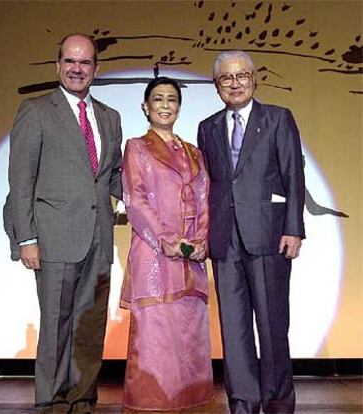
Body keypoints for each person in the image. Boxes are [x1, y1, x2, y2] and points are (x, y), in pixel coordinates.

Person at [5, 33, 122, 414]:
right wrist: (27, 237)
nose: (77, 68)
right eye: (70, 61)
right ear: (58, 66)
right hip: (54, 238)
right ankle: (51, 403)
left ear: (95, 69)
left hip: (99, 239)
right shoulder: (36, 111)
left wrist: (155, 192)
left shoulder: (110, 117)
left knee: (89, 328)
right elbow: (21, 180)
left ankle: (83, 399)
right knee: (56, 325)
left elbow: (113, 176)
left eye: (85, 62)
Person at [197, 51, 305, 414]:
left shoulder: (278, 118)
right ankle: (243, 401)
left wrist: (294, 228)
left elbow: (293, 176)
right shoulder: (207, 127)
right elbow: (209, 184)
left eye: (242, 75)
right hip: (224, 240)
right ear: (216, 86)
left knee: (273, 326)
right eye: (226, 78)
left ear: (254, 78)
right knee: (234, 328)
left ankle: (276, 400)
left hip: (270, 236)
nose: (235, 83)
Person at [121, 77, 214, 412]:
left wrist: (201, 239)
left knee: (190, 330)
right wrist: (169, 241)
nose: (164, 105)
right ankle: (152, 403)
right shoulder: (137, 147)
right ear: (145, 107)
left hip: (192, 258)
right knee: (155, 334)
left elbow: (205, 198)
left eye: (171, 99)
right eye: (157, 99)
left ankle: (191, 402)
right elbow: (137, 201)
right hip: (155, 254)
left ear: (179, 107)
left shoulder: (194, 152)